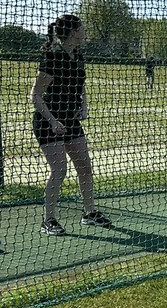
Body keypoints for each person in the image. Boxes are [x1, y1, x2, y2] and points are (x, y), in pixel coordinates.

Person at [30, 13, 112, 235]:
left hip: (70, 119)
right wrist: (52, 120)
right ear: (74, 32)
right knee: (59, 169)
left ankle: (89, 213)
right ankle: (48, 220)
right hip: (48, 121)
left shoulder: (78, 55)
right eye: (82, 28)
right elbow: (35, 95)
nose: (85, 32)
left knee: (85, 166)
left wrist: (84, 106)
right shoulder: (53, 57)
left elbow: (81, 85)